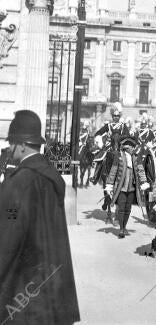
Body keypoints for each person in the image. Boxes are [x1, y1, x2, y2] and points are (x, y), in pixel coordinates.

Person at [0, 110, 80, 324]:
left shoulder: (18, 182)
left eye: (11, 143)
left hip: (23, 293)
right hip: (53, 287)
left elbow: (7, 241)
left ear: (22, 144)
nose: (9, 148)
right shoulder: (51, 176)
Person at [105, 136, 150, 238]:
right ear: (127, 147)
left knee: (128, 209)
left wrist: (143, 182)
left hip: (132, 188)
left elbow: (141, 170)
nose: (134, 148)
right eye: (132, 146)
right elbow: (113, 171)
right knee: (121, 207)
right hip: (121, 187)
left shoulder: (136, 157)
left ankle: (124, 226)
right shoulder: (119, 156)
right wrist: (109, 184)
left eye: (134, 147)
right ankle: (121, 229)